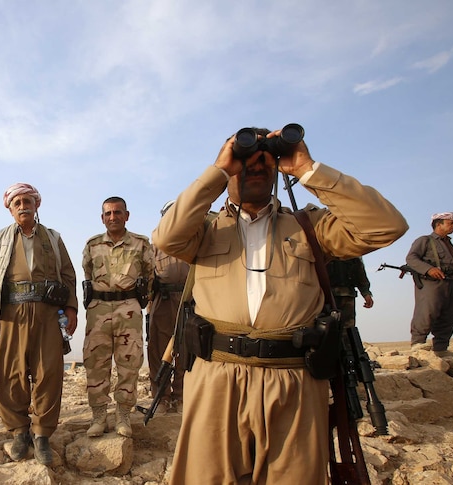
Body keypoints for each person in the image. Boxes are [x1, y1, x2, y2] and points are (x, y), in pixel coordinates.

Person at [153, 128, 407, 484]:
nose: (255, 168)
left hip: (294, 380)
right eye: (245, 162)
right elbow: (166, 237)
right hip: (217, 377)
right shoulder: (206, 231)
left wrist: (307, 169)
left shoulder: (310, 227)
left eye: (264, 161)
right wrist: (219, 172)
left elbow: (386, 226)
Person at [0, 183, 79, 465]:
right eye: (17, 202)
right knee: (11, 374)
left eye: (27, 200)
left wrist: (71, 308)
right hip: (11, 313)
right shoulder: (0, 239)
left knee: (48, 373)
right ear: (10, 209)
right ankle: (19, 432)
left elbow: (67, 274)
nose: (23, 205)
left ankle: (42, 434)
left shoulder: (53, 237)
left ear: (37, 204)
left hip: (48, 313)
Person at [83, 196, 154, 438]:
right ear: (102, 218)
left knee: (129, 361)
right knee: (95, 362)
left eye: (117, 212)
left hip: (129, 306)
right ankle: (99, 416)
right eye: (108, 214)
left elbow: (150, 275)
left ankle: (123, 414)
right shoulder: (92, 245)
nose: (112, 217)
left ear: (127, 215)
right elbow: (87, 274)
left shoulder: (141, 244)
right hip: (99, 307)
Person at [406, 212, 453, 358]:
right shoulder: (425, 241)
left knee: (450, 316)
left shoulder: (451, 246)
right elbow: (411, 258)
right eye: (451, 223)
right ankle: (418, 345)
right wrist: (429, 269)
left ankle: (441, 349)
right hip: (432, 284)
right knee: (427, 312)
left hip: (451, 284)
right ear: (439, 224)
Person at [146, 200, 190, 415]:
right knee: (159, 350)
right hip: (162, 300)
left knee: (186, 350)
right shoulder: (156, 244)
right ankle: (161, 398)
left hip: (189, 300)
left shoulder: (194, 239)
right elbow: (147, 274)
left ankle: (181, 397)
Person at [327, 257, 374, 328]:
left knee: (348, 329)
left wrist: (366, 293)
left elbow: (360, 272)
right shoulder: (324, 249)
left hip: (347, 296)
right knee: (325, 327)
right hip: (326, 296)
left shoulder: (351, 251)